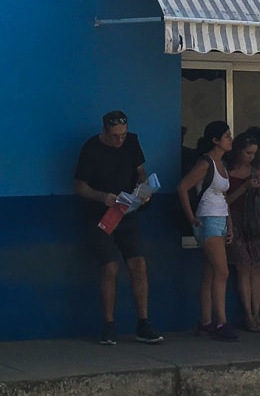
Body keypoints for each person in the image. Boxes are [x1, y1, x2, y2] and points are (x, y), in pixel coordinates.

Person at [74, 110, 164, 346]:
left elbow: (140, 171)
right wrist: (103, 197)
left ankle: (143, 323)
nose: (120, 140)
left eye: (123, 135)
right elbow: (80, 186)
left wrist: (143, 190)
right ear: (104, 131)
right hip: (100, 215)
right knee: (110, 266)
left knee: (139, 264)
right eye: (115, 136)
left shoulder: (132, 142)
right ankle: (109, 325)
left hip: (127, 211)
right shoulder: (91, 149)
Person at [178, 121, 246, 342]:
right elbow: (183, 187)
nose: (230, 139)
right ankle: (221, 322)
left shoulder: (222, 164)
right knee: (222, 272)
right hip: (206, 218)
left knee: (210, 273)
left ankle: (206, 321)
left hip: (220, 218)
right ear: (215, 140)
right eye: (226, 136)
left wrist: (230, 224)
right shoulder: (206, 163)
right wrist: (191, 217)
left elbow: (223, 197)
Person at [224, 131, 260, 332]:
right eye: (247, 153)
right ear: (238, 151)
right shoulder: (227, 170)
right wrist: (244, 187)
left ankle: (257, 313)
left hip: (254, 221)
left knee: (257, 267)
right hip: (236, 219)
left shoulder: (256, 169)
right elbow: (225, 200)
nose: (251, 157)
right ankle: (248, 315)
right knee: (243, 267)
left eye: (254, 153)